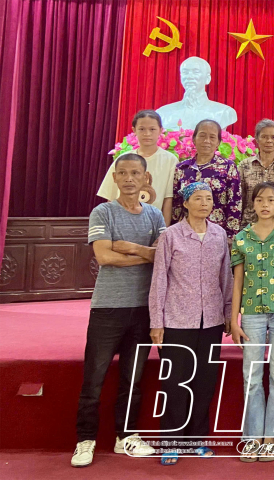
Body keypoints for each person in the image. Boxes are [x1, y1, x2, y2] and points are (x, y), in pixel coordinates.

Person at [72, 153, 164, 467]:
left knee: (133, 378)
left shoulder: (155, 216)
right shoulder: (103, 212)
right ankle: (85, 440)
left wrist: (131, 248)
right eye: (122, 173)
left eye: (135, 173)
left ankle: (126, 436)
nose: (128, 179)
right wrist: (145, 255)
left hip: (143, 309)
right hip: (108, 308)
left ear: (145, 178)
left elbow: (163, 256)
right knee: (94, 379)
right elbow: (105, 257)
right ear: (115, 178)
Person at [148, 182, 233, 465]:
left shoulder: (219, 234)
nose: (204, 203)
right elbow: (159, 279)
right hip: (177, 320)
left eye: (208, 198)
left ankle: (197, 440)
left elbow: (226, 277)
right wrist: (156, 321)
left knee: (204, 382)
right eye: (198, 198)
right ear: (185, 203)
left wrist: (228, 313)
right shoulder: (171, 235)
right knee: (175, 382)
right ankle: (171, 443)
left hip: (211, 321)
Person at [229, 181, 274, 462]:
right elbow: (238, 281)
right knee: (251, 376)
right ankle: (251, 437)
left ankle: (271, 437)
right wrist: (234, 320)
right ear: (253, 203)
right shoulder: (241, 238)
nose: (265, 204)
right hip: (251, 313)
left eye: (271, 200)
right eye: (260, 199)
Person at [97, 110, 179, 224]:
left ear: (161, 130)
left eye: (152, 129)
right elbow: (111, 195)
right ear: (134, 130)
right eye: (142, 129)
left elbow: (168, 198)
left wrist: (164, 230)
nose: (147, 134)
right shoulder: (123, 159)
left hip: (152, 223)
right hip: (122, 222)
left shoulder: (170, 160)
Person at [172, 119, 242, 239]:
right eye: (202, 136)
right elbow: (176, 203)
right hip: (186, 233)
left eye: (212, 137)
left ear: (218, 142)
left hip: (217, 234)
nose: (207, 141)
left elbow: (235, 203)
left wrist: (231, 236)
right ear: (194, 139)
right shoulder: (182, 168)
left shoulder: (228, 167)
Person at [156, 56, 238, 130]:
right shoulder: (163, 113)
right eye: (185, 72)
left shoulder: (224, 112)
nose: (189, 77)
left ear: (208, 78)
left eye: (196, 72)